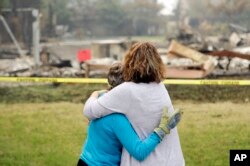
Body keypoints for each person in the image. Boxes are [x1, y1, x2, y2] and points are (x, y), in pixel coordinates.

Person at [83, 42, 185, 165]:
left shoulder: (126, 90)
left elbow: (89, 112)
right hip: (173, 159)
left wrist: (95, 94)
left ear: (130, 62)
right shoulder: (160, 87)